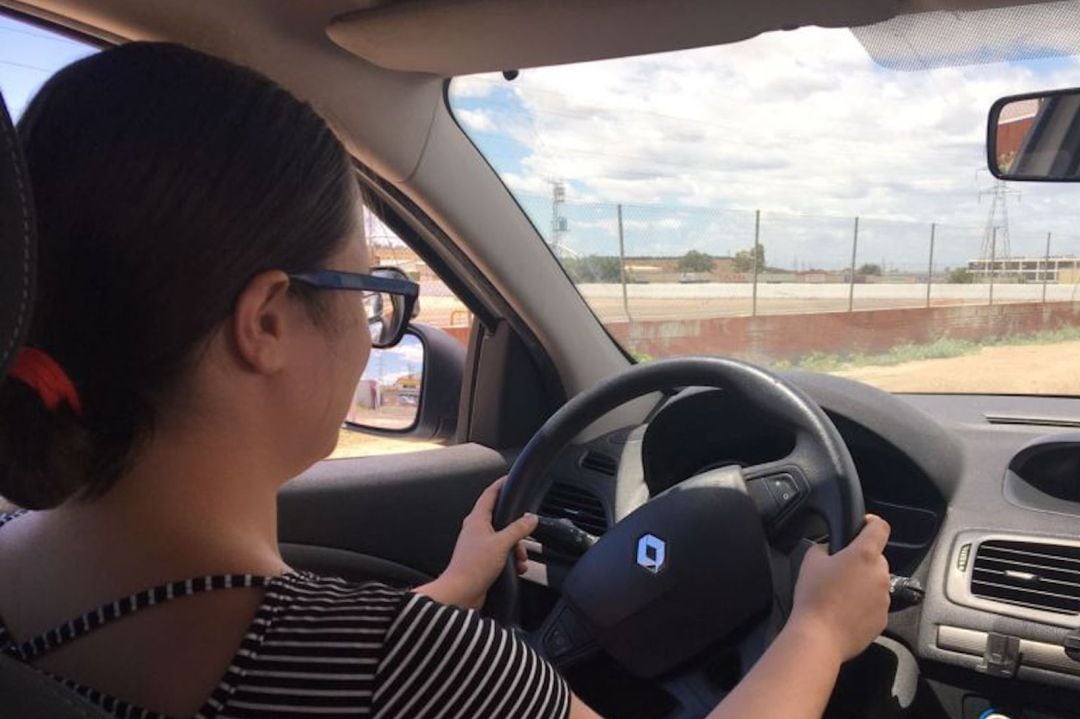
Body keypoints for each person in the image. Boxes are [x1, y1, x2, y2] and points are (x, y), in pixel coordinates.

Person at [0, 42, 892, 719]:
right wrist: (817, 631)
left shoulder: (19, 560)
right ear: (266, 321)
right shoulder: (417, 666)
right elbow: (360, 668)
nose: (376, 326)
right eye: (375, 290)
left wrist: (455, 587)